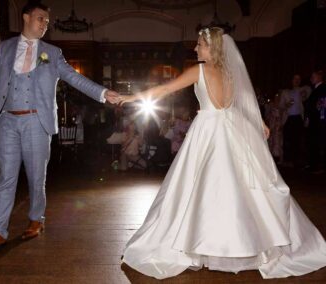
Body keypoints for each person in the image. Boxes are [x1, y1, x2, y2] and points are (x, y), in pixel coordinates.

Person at [119, 27, 326, 279]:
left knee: (200, 187)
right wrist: (260, 124)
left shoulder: (199, 70)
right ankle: (243, 241)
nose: (195, 48)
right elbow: (245, 102)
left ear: (211, 47)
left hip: (207, 131)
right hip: (230, 130)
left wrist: (131, 98)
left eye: (199, 44)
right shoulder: (231, 73)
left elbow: (165, 89)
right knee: (238, 187)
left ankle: (201, 242)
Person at [0, 1, 120, 253]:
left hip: (36, 122)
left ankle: (35, 218)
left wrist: (103, 92)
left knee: (36, 177)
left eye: (47, 22)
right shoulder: (6, 48)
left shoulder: (52, 53)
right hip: (7, 120)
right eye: (41, 19)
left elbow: (74, 77)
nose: (45, 25)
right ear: (26, 18)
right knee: (6, 178)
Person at [279, 74, 310, 167]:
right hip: (288, 118)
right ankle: (287, 160)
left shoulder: (302, 90)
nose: (297, 80)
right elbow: (280, 106)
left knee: (297, 140)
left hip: (298, 118)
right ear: (291, 80)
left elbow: (308, 90)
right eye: (295, 78)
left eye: (299, 79)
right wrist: (286, 105)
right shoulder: (285, 92)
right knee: (288, 139)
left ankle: (297, 160)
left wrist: (303, 92)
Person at [304, 70, 326, 173]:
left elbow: (321, 105)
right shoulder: (315, 89)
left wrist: (320, 118)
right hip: (314, 120)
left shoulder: (322, 88)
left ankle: (317, 166)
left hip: (318, 121)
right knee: (313, 142)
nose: (311, 78)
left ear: (319, 77)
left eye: (313, 76)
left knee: (317, 142)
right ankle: (313, 164)